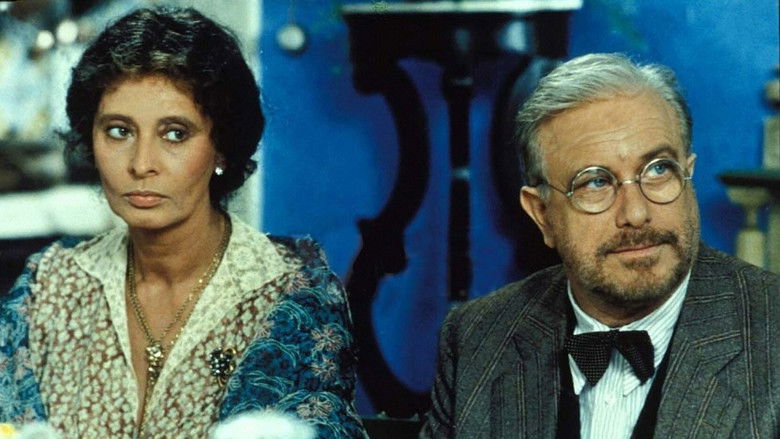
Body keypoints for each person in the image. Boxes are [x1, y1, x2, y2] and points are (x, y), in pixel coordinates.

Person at [0, 7, 367, 438]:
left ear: (222, 146)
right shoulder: (49, 286)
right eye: (119, 131)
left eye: (175, 133)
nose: (141, 163)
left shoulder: (288, 293)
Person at [420, 53, 780, 438]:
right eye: (595, 182)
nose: (636, 213)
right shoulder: (476, 339)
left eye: (658, 170)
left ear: (687, 173)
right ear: (542, 214)